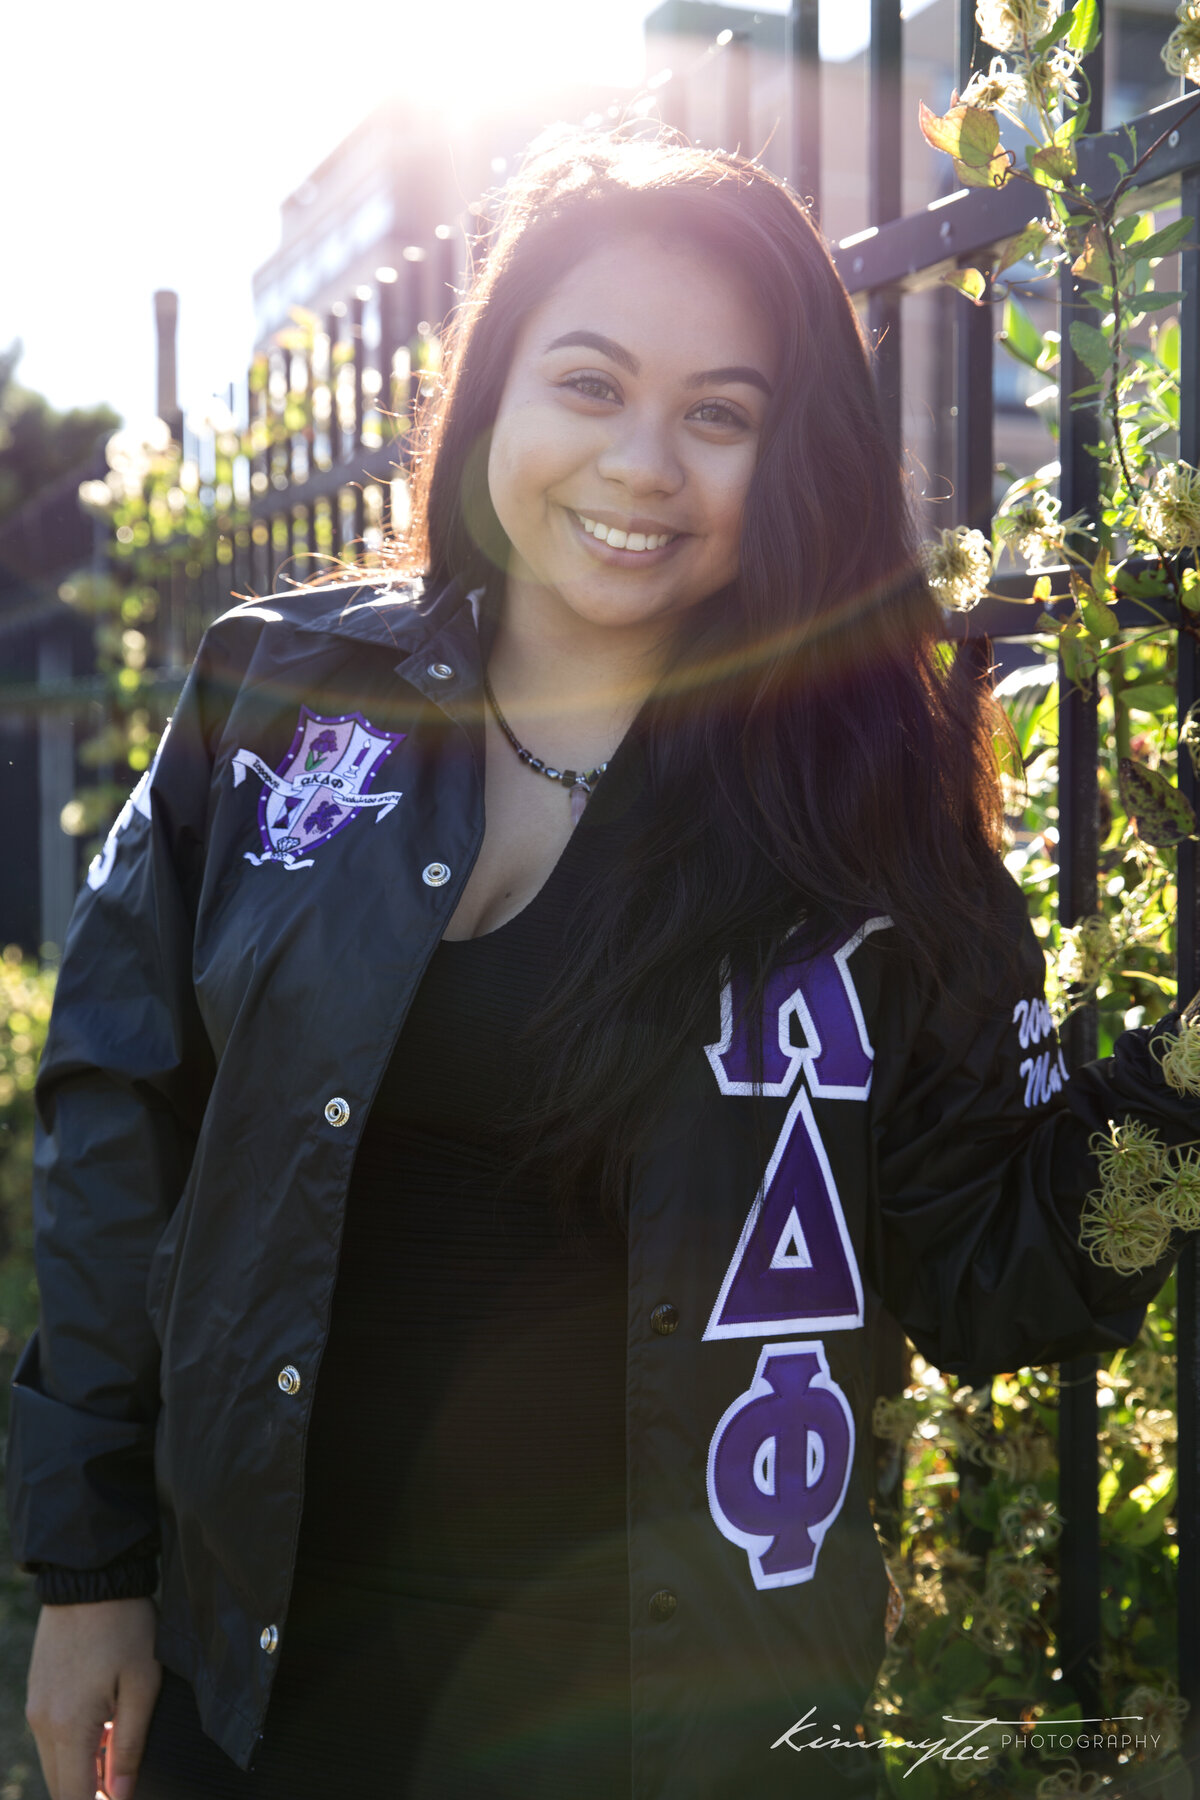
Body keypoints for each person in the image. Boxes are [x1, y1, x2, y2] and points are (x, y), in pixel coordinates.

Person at [9, 125, 1199, 1800]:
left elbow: (991, 1274)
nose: (646, 463)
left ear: (787, 462)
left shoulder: (868, 806)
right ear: (492, 391)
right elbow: (118, 1128)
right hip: (261, 1680)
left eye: (722, 414)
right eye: (591, 383)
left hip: (684, 1734)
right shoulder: (273, 699)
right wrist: (90, 1571)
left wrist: (1178, 1084)